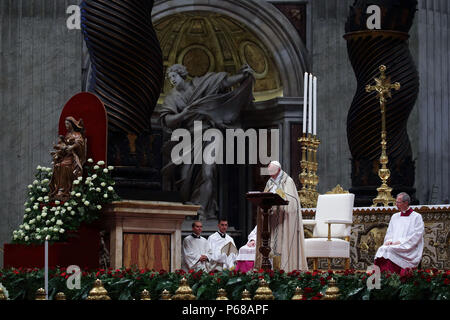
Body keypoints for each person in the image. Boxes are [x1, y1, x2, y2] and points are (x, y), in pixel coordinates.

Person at [159, 64, 254, 220]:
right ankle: (189, 210)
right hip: (187, 137)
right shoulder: (172, 97)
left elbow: (222, 82)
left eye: (174, 77)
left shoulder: (200, 84)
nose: (172, 81)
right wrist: (184, 114)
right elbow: (168, 120)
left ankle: (203, 210)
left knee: (208, 172)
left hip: (210, 132)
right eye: (169, 79)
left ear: (182, 74)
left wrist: (242, 76)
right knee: (185, 177)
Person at [254, 161, 308, 272]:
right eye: (270, 173)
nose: (271, 175)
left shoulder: (288, 181)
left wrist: (279, 194)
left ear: (278, 170)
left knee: (282, 244)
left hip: (284, 219)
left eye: (273, 173)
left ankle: (286, 268)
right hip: (272, 219)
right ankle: (269, 268)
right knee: (271, 243)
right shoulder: (269, 182)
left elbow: (292, 202)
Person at [374, 192, 424, 273]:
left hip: (408, 247)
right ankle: (382, 277)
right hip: (394, 245)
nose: (396, 204)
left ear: (406, 203)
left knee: (390, 250)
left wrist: (400, 242)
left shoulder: (416, 217)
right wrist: (389, 241)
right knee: (382, 249)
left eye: (398, 202)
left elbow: (417, 235)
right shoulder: (395, 216)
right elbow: (389, 232)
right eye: (396, 202)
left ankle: (394, 276)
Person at [49, 116, 87, 201]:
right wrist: (58, 149)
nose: (66, 125)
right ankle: (58, 189)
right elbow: (64, 145)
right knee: (57, 165)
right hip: (66, 156)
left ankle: (63, 191)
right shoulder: (68, 134)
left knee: (63, 165)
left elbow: (80, 143)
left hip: (73, 157)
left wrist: (72, 147)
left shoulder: (77, 134)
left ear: (72, 124)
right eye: (65, 124)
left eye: (67, 124)